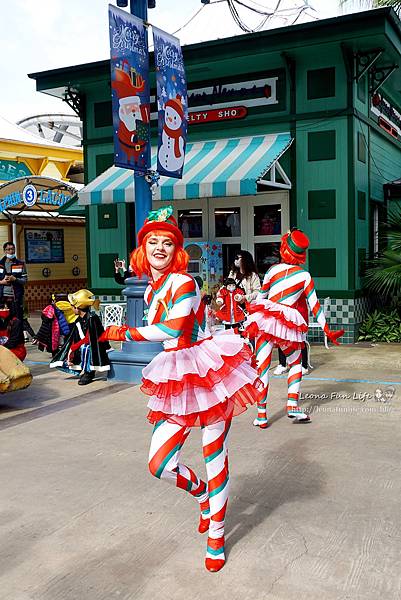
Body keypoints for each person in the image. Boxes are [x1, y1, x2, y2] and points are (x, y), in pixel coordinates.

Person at [100, 205, 262, 572]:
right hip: (175, 374)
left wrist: (123, 332)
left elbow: (172, 331)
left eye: (167, 243)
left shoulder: (184, 282)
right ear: (143, 249)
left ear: (177, 251)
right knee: (159, 464)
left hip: (208, 369)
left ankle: (218, 533)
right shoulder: (150, 291)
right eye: (153, 242)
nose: (160, 248)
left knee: (213, 451)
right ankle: (202, 494)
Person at [244, 228, 344, 428]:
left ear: (283, 250)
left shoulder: (272, 270)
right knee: (296, 364)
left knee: (262, 367)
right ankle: (292, 405)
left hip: (267, 320)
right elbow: (315, 306)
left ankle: (262, 416)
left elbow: (261, 298)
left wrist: (253, 314)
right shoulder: (305, 276)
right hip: (288, 324)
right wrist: (327, 330)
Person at [50, 289, 110, 385]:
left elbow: (89, 339)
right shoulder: (78, 320)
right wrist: (71, 348)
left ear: (78, 307)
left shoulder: (92, 319)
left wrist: (74, 347)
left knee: (86, 348)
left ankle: (89, 372)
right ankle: (82, 369)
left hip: (96, 347)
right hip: (85, 345)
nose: (71, 309)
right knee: (76, 349)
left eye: (73, 306)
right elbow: (75, 337)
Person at [0, 242, 28, 321]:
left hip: (16, 297)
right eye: (8, 249)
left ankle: (18, 333)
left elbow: (25, 280)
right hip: (2, 297)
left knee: (17, 320)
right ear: (4, 251)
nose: (11, 251)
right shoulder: (0, 264)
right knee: (3, 321)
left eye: (12, 249)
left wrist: (15, 279)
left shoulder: (20, 263)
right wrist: (2, 282)